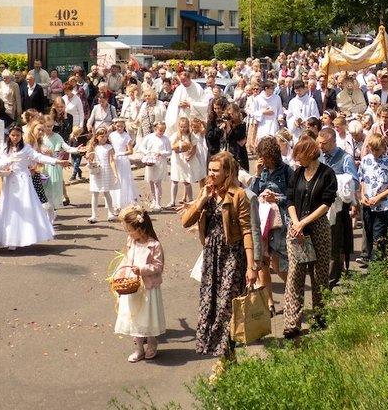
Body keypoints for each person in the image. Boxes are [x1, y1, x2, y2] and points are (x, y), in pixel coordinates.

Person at [181, 152, 256, 375]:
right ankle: (229, 361)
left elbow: (246, 230)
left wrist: (251, 266)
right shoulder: (207, 192)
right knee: (211, 308)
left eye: (216, 170)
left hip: (232, 256)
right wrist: (202, 199)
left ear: (227, 172)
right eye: (210, 170)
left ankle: (222, 364)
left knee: (226, 310)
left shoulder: (238, 194)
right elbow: (186, 222)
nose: (211, 174)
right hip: (211, 256)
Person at [283, 136, 337, 339]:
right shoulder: (297, 174)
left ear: (310, 154)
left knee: (319, 274)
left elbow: (326, 202)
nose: (297, 160)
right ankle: (291, 323)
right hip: (297, 231)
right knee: (295, 275)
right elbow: (290, 199)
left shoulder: (327, 174)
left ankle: (319, 316)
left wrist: (305, 222)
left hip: (318, 228)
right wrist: (297, 223)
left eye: (299, 155)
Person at [114, 205, 166, 363]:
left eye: (130, 230)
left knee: (147, 316)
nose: (128, 233)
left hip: (148, 287)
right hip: (132, 286)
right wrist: (120, 273)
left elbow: (158, 266)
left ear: (141, 228)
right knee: (134, 317)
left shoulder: (154, 245)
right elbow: (125, 259)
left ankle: (152, 342)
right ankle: (138, 348)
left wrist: (142, 269)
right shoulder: (131, 242)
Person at [250, 136, 293, 314]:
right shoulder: (263, 170)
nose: (265, 160)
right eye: (262, 156)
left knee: (278, 263)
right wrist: (257, 174)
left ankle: (293, 291)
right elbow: (251, 195)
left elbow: (293, 197)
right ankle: (269, 303)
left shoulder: (286, 171)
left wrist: (277, 198)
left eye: (267, 156)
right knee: (263, 262)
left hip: (279, 223)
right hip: (261, 221)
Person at [316, 127, 360, 286]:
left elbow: (354, 181)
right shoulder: (319, 156)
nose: (321, 146)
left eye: (325, 143)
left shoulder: (345, 158)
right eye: (319, 143)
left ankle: (332, 278)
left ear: (334, 141)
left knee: (335, 242)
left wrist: (337, 181)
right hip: (321, 206)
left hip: (339, 207)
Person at [357, 133, 388, 266]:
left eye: (377, 150)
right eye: (372, 149)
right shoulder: (365, 160)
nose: (374, 152)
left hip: (384, 205)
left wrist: (379, 197)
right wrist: (362, 195)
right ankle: (373, 261)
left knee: (379, 236)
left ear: (383, 148)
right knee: (368, 234)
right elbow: (362, 179)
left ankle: (377, 267)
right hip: (368, 204)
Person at [85, 126, 119, 223]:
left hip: (106, 171)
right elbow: (89, 158)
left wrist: (115, 174)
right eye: (102, 136)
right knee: (94, 193)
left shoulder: (109, 147)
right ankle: (94, 215)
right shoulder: (93, 147)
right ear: (97, 137)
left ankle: (110, 213)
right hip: (96, 172)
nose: (104, 138)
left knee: (106, 192)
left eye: (105, 136)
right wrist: (89, 155)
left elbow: (112, 161)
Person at [140, 120, 172, 211]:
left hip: (160, 162)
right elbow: (141, 147)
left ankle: (158, 202)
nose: (161, 132)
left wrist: (161, 153)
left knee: (157, 183)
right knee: (151, 181)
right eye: (160, 130)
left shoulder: (165, 139)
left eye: (163, 130)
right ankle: (154, 200)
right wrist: (147, 152)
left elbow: (169, 151)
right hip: (150, 161)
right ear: (155, 129)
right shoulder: (149, 137)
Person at [109, 118, 137, 209]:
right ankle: (115, 203)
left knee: (124, 180)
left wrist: (121, 153)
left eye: (121, 126)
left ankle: (125, 202)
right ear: (115, 126)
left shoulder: (126, 136)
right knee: (115, 179)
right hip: (114, 159)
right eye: (117, 126)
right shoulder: (112, 135)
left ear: (124, 126)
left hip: (123, 160)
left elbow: (130, 151)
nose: (119, 128)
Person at [169, 116, 196, 208]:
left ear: (188, 126)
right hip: (177, 160)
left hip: (185, 160)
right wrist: (177, 147)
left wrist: (189, 155)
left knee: (186, 181)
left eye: (185, 127)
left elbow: (194, 148)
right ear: (178, 126)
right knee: (174, 180)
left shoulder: (190, 136)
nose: (183, 128)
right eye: (181, 127)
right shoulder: (175, 135)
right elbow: (171, 146)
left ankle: (191, 199)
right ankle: (172, 201)